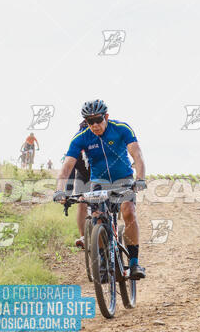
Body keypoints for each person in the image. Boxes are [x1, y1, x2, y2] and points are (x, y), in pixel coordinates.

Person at [53, 99, 147, 280]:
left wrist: (140, 179)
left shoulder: (121, 129)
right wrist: (60, 191)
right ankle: (104, 261)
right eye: (90, 121)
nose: (95, 125)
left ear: (106, 116)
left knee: (128, 212)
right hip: (98, 182)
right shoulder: (81, 138)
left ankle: (134, 263)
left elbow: (137, 154)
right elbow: (66, 167)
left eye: (98, 119)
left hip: (123, 179)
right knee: (97, 218)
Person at [64, 120, 91, 249]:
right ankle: (83, 237)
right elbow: (70, 172)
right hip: (83, 177)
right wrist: (67, 195)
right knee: (81, 203)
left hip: (102, 177)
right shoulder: (76, 144)